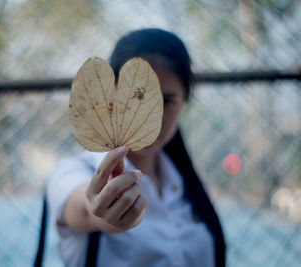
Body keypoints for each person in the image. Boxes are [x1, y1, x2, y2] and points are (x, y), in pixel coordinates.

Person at [46, 28, 226, 267]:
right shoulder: (74, 172)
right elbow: (85, 208)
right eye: (137, 97)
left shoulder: (186, 183)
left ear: (185, 101)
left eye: (167, 101)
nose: (151, 116)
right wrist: (102, 211)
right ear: (110, 97)